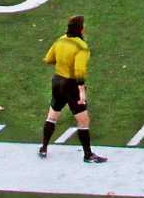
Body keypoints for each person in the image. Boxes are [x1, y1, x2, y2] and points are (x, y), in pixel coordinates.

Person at [39, 15, 107, 164]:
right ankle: (88, 155)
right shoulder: (81, 47)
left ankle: (44, 147)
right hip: (71, 85)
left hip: (57, 81)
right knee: (83, 121)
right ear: (81, 29)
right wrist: (82, 91)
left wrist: (63, 60)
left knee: (52, 115)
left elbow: (49, 59)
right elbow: (79, 71)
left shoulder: (60, 40)